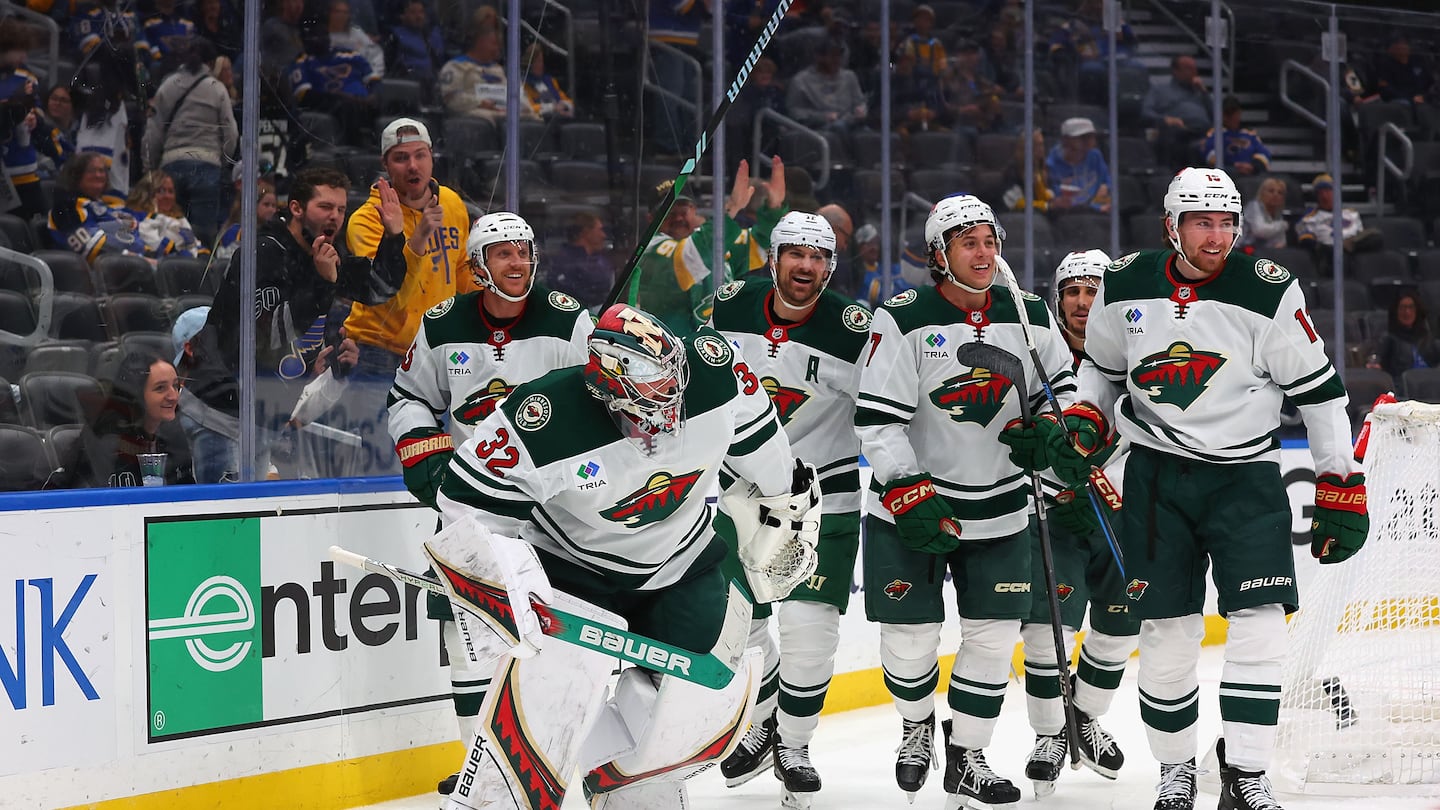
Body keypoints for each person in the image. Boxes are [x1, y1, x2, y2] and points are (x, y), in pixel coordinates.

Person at [1009, 167, 1368, 810]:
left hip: (1246, 479)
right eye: (1203, 222)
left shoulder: (1268, 291)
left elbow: (1320, 394)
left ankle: (1248, 774)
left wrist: (1340, 481)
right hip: (1157, 479)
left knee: (1260, 628)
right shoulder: (1124, 284)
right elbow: (1102, 372)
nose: (1218, 235)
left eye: (1228, 221)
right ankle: (1176, 772)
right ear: (1171, 226)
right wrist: (1087, 423)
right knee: (1167, 633)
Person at [428, 302, 815, 808]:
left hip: (682, 565)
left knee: (677, 716)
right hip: (572, 575)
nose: (673, 398)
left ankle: (634, 794)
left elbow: (766, 449)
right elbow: (464, 505)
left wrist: (785, 499)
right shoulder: (545, 417)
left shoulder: (713, 373)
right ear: (609, 389)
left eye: (674, 379)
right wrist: (498, 583)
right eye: (654, 390)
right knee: (543, 713)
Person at [856, 194, 1077, 807]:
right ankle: (916, 725)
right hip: (912, 509)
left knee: (991, 637)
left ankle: (967, 755)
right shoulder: (901, 318)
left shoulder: (1028, 312)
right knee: (910, 640)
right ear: (939, 255)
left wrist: (1052, 429)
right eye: (968, 243)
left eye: (990, 240)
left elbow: (1060, 386)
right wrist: (905, 486)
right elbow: (876, 422)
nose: (984, 253)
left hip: (1005, 506)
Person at [386, 211, 593, 799]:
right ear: (477, 267)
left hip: (554, 514)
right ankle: (478, 758)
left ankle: (551, 754)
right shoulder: (442, 323)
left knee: (551, 634)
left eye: (525, 251)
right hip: (471, 509)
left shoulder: (567, 320)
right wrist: (428, 463)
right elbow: (408, 398)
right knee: (467, 632)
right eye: (503, 253)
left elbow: (602, 400)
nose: (518, 262)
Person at [710, 212, 871, 806]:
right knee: (743, 624)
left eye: (819, 256)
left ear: (831, 265)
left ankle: (794, 746)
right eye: (795, 254)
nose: (807, 266)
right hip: (739, 492)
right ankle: (763, 721)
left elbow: (884, 408)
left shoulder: (855, 328)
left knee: (809, 630)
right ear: (772, 258)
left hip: (824, 494)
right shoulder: (729, 306)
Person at [177, 167, 405, 483]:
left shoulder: (324, 254)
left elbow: (380, 288)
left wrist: (393, 236)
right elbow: (265, 335)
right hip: (220, 415)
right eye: (325, 207)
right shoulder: (265, 253)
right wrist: (324, 285)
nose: (335, 217)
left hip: (263, 417)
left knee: (248, 520)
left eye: (340, 209)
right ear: (296, 208)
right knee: (226, 525)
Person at [1015, 249, 1138, 798]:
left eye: (1093, 291)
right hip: (1054, 512)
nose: (1084, 303)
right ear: (1059, 299)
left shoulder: (1136, 351)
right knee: (1046, 632)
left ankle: (1081, 719)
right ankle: (1048, 734)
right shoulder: (1035, 349)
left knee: (1119, 630)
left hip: (1121, 512)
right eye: (1074, 292)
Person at [339, 118, 475, 476]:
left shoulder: (451, 203)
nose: (413, 166)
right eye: (401, 158)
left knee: (441, 463)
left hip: (438, 356)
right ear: (385, 164)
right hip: (380, 356)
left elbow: (462, 271)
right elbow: (387, 295)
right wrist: (416, 239)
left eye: (420, 155)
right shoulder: (367, 220)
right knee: (382, 466)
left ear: (432, 157)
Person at [628, 157, 787, 336]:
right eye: (669, 213)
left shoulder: (713, 243)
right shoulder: (649, 250)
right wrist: (731, 208)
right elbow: (688, 257)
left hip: (716, 346)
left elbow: (758, 244)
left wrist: (774, 208)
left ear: (694, 210)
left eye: (683, 211)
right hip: (667, 349)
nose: (678, 218)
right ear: (650, 219)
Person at [141, 37, 238, 247]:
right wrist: (220, 161)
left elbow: (153, 131)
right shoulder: (217, 88)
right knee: (203, 235)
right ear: (211, 63)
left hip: (171, 165)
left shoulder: (168, 85)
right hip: (207, 167)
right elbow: (231, 132)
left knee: (170, 228)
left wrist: (150, 168)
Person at [74, 350, 195, 488]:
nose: (173, 396)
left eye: (175, 386)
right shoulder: (107, 442)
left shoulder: (174, 436)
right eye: (160, 388)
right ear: (136, 395)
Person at [48, 151, 147, 261]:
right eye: (91, 171)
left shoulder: (105, 206)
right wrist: (140, 259)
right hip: (103, 271)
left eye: (101, 170)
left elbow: (142, 224)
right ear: (76, 175)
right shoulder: (66, 207)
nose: (98, 175)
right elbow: (92, 247)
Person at [439, 17, 537, 123]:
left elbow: (521, 98)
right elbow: (451, 99)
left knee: (532, 118)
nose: (498, 49)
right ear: (480, 42)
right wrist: (480, 103)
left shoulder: (500, 70)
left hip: (504, 112)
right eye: (494, 44)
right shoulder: (455, 67)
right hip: (475, 117)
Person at [1295, 173, 1382, 272]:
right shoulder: (1309, 218)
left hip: (1355, 250)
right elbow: (1306, 241)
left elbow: (1361, 235)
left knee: (1375, 235)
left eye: (1328, 191)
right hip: (1329, 255)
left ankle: (1345, 246)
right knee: (1333, 254)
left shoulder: (1351, 213)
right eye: (1320, 192)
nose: (1324, 196)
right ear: (1316, 196)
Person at [1142, 55, 1212, 172]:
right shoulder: (1160, 90)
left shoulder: (1200, 92)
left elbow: (1217, 115)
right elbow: (1145, 112)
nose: (1194, 72)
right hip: (1181, 134)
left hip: (1205, 133)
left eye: (1194, 68)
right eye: (1188, 68)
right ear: (1175, 71)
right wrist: (1165, 119)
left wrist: (1204, 92)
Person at [786, 41, 868, 134]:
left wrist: (861, 109)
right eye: (832, 56)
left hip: (851, 125)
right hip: (817, 129)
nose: (837, 60)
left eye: (839, 56)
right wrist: (822, 117)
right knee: (838, 128)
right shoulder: (800, 80)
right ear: (818, 57)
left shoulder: (850, 76)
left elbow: (860, 102)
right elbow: (795, 111)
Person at [1369, 289, 1440, 392]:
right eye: (1402, 308)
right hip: (1403, 390)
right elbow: (1378, 362)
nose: (1407, 312)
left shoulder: (1427, 338)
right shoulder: (1388, 338)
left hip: (1431, 388)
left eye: (1411, 307)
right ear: (1396, 311)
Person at [127, 169, 208, 259]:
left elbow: (195, 244)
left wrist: (202, 254)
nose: (167, 196)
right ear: (147, 193)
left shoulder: (180, 219)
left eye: (171, 191)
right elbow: (147, 245)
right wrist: (175, 250)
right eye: (161, 191)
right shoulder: (138, 217)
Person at [546, 211, 614, 311]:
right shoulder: (564, 262)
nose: (603, 235)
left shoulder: (599, 259)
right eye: (599, 230)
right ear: (586, 232)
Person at [1046, 117, 1112, 213]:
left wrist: (1100, 203)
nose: (1089, 141)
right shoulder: (1052, 164)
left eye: (1091, 136)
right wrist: (1095, 208)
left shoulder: (1095, 156)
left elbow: (1106, 185)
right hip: (1068, 214)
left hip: (1096, 212)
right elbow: (1059, 200)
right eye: (1083, 137)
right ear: (1066, 139)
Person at [1203, 96, 1272, 176]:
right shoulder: (1215, 134)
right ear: (1223, 115)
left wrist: (1253, 167)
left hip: (1251, 174)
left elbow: (1264, 154)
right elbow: (1210, 156)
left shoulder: (1249, 134)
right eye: (1228, 114)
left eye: (1235, 113)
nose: (1232, 117)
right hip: (1227, 175)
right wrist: (1233, 167)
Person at [215, 176, 279, 261]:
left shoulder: (274, 232)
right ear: (253, 206)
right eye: (266, 205)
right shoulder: (235, 231)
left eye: (274, 206)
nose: (271, 210)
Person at [327, 0, 385, 79]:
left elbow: (375, 54)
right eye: (338, 12)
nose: (341, 15)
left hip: (356, 80)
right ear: (330, 13)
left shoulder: (357, 34)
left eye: (345, 12)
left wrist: (373, 77)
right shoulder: (321, 35)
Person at [1002, 128, 1055, 212]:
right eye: (1039, 145)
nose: (1042, 149)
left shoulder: (1038, 167)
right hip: (1018, 216)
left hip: (1038, 213)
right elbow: (1015, 202)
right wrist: (1047, 206)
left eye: (1042, 144)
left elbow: (1043, 195)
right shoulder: (1013, 171)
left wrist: (1054, 200)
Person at [521, 43, 574, 119]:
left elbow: (566, 100)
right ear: (530, 63)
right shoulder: (524, 84)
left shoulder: (550, 81)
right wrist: (552, 107)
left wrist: (565, 105)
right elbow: (529, 108)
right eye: (538, 61)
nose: (541, 64)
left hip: (559, 118)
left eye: (542, 61)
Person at [1240, 176, 1288, 252]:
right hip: (1242, 249)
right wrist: (1282, 225)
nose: (1275, 195)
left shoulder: (1277, 212)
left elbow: (1281, 241)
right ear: (1262, 193)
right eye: (1271, 191)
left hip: (1265, 252)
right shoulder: (1253, 206)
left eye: (1280, 193)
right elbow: (1260, 231)